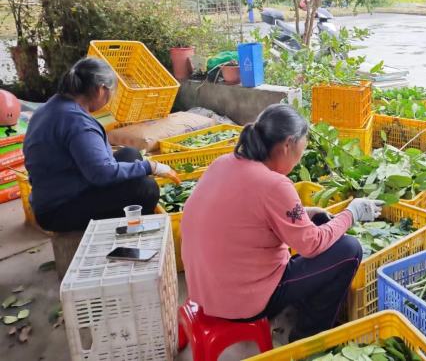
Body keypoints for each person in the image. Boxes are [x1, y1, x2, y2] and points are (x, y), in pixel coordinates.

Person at [180, 104, 382, 341]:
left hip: (206, 291)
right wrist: (352, 213)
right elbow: (311, 245)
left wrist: (310, 212)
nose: (298, 161)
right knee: (349, 249)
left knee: (317, 222)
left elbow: (247, 214)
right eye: (301, 152)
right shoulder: (274, 185)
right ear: (288, 144)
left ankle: (298, 306)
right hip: (241, 303)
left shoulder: (224, 162)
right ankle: (308, 338)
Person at [23, 57, 180, 232]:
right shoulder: (78, 124)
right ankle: (127, 234)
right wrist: (151, 166)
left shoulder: (52, 106)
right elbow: (102, 173)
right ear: (100, 90)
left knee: (130, 154)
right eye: (111, 91)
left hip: (62, 186)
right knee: (146, 189)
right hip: (58, 209)